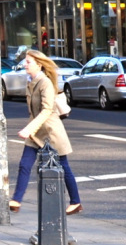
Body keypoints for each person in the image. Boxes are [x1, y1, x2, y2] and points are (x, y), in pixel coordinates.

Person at [7, 50, 82, 215]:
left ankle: (76, 202)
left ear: (39, 64)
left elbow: (47, 110)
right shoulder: (31, 81)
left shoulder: (45, 82)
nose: (25, 64)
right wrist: (31, 128)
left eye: (28, 62)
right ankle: (16, 200)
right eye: (25, 62)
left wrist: (28, 128)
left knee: (64, 166)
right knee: (24, 165)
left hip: (51, 131)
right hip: (36, 132)